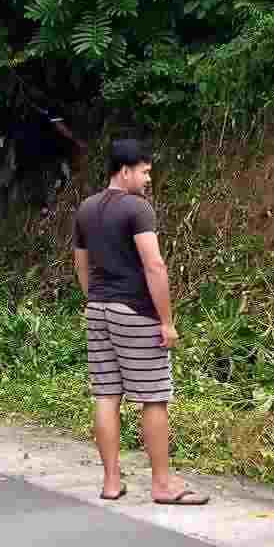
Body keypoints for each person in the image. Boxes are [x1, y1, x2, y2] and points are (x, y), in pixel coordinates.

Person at [73, 138, 207, 506]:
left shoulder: (86, 208)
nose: (149, 179)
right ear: (125, 170)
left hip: (98, 310)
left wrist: (94, 298)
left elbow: (81, 264)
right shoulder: (137, 208)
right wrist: (166, 321)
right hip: (134, 312)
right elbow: (154, 265)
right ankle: (162, 484)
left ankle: (111, 482)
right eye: (145, 172)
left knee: (106, 396)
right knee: (154, 398)